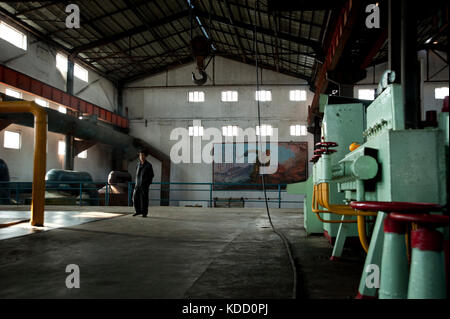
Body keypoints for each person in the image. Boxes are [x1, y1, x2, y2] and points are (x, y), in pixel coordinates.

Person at [132, 149, 154, 217]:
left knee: (144, 199)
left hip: (144, 185)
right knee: (135, 198)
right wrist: (136, 183)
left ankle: (144, 213)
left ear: (145, 156)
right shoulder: (138, 164)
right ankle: (138, 211)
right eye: (140, 155)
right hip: (137, 185)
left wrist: (147, 184)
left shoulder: (148, 165)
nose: (141, 156)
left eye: (142, 155)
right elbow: (137, 175)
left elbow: (151, 175)